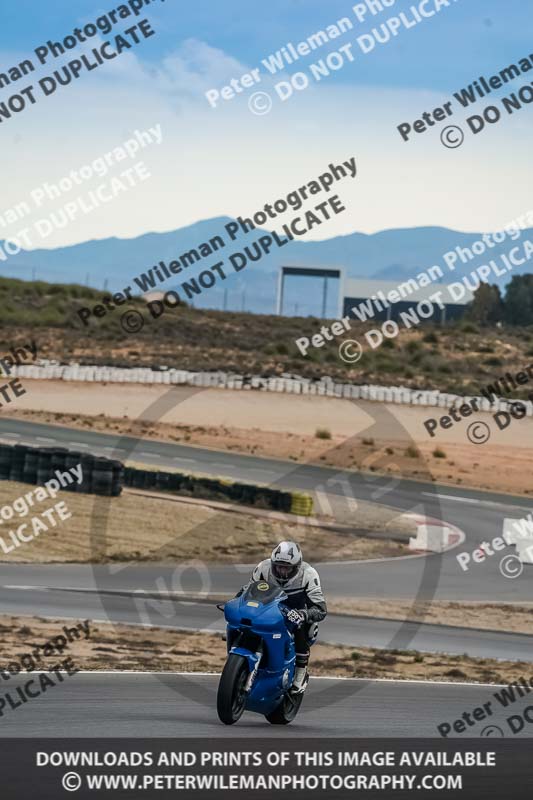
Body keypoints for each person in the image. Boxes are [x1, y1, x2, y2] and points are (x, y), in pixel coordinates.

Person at [238, 541, 327, 692]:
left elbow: (320, 609)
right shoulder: (263, 568)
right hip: (267, 610)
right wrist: (236, 602)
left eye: (287, 568)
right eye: (278, 566)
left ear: (297, 566)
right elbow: (247, 591)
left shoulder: (308, 574)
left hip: (295, 613)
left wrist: (303, 614)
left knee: (305, 628)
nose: (282, 571)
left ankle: (301, 671)